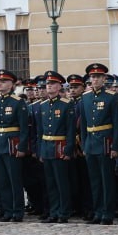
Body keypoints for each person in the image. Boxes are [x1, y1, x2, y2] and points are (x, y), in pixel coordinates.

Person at [77, 63, 118, 225]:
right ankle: (98, 211)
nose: (94, 80)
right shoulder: (86, 97)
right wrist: (84, 144)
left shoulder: (111, 97)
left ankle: (107, 212)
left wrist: (116, 146)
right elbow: (84, 125)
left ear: (104, 79)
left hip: (105, 142)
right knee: (94, 181)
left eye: (98, 77)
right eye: (92, 77)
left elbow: (116, 123)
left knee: (106, 180)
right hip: (91, 143)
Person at [0, 69, 28, 222]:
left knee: (14, 180)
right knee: (2, 181)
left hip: (12, 144)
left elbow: (24, 128)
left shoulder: (18, 102)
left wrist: (22, 147)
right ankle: (7, 210)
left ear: (11, 84)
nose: (0, 84)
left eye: (4, 81)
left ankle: (17, 211)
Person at [33, 71, 75, 223]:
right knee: (50, 183)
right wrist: (40, 151)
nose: (49, 86)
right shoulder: (42, 106)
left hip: (60, 147)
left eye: (52, 84)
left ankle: (64, 212)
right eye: (47, 84)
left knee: (61, 182)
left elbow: (70, 130)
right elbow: (40, 131)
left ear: (59, 87)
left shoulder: (66, 104)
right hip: (47, 147)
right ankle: (54, 211)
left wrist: (69, 149)